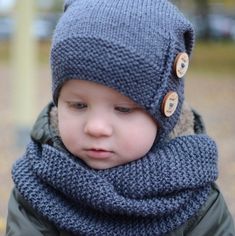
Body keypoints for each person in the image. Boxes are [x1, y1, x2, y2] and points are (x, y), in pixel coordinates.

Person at [6, 0, 235, 235]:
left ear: (165, 114)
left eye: (123, 109)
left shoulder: (195, 199)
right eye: (78, 105)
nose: (96, 128)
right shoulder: (38, 186)